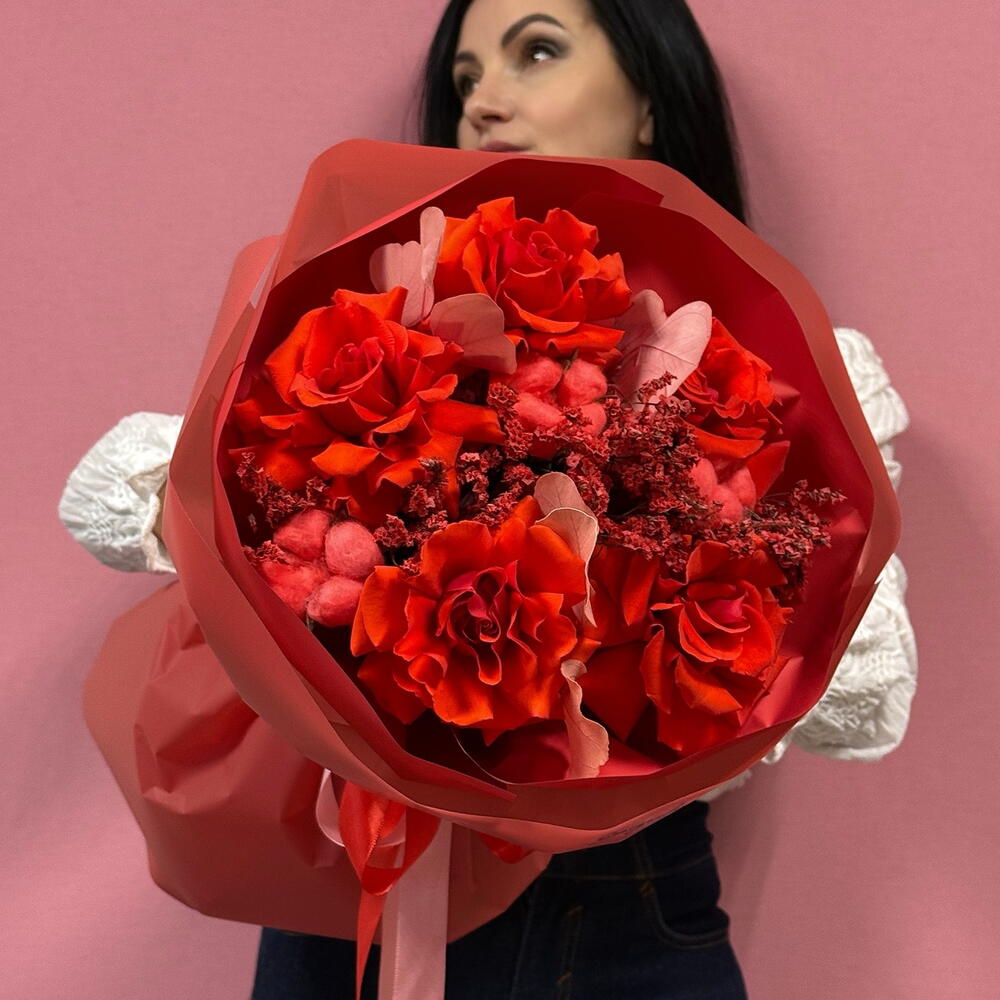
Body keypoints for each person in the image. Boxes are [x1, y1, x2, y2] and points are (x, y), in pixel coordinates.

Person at [59, 1, 917, 997]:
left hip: (618, 914)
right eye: (465, 79)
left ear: (652, 96)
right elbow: (118, 502)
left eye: (535, 51)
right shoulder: (388, 312)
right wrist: (307, 509)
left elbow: (860, 710)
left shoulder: (787, 378)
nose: (484, 102)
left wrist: (673, 579)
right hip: (357, 891)